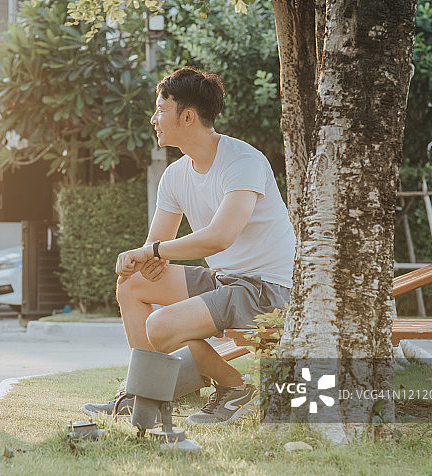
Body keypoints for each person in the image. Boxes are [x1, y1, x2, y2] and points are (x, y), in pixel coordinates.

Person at [82, 67, 295, 425]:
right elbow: (156, 246)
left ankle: (235, 388)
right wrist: (146, 260)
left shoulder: (244, 162)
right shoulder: (176, 174)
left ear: (188, 116)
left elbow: (219, 236)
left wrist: (154, 253)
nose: (154, 119)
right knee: (133, 285)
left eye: (160, 109)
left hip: (267, 289)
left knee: (162, 327)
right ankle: (142, 393)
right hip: (225, 280)